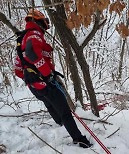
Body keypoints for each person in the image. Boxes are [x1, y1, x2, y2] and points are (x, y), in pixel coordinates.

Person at [14, 9, 92, 148]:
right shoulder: (34, 34)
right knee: (65, 112)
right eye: (45, 22)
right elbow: (33, 54)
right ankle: (79, 139)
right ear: (39, 21)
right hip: (44, 82)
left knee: (50, 103)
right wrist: (46, 74)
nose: (46, 26)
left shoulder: (22, 39)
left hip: (33, 85)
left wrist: (32, 77)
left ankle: (60, 123)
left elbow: (18, 70)